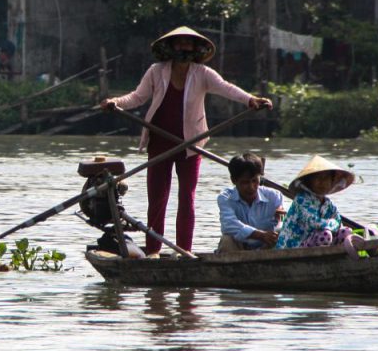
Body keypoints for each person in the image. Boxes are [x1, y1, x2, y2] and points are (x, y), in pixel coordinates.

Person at [102, 26, 273, 256]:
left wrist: (251, 99)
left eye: (188, 43)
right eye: (179, 43)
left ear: (195, 48)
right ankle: (153, 252)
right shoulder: (156, 71)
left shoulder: (202, 73)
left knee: (187, 199)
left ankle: (184, 251)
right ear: (171, 47)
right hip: (160, 142)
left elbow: (226, 88)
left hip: (190, 145)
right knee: (157, 200)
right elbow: (137, 97)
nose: (183, 47)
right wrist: (116, 102)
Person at [275, 155, 364, 257]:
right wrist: (332, 223)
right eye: (317, 178)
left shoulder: (328, 204)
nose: (322, 182)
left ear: (332, 182)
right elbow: (314, 223)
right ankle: (319, 263)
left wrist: (335, 225)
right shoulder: (302, 199)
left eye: (326, 178)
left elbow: (338, 222)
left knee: (346, 232)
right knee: (325, 234)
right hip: (292, 249)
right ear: (309, 181)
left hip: (313, 246)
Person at [216, 153, 284, 253]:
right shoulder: (226, 197)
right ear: (234, 180)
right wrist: (261, 235)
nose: (251, 187)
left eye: (254, 181)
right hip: (238, 248)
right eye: (245, 182)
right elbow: (228, 224)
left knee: (282, 236)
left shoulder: (274, 196)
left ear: (260, 178)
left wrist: (280, 220)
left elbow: (281, 223)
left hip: (266, 249)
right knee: (226, 240)